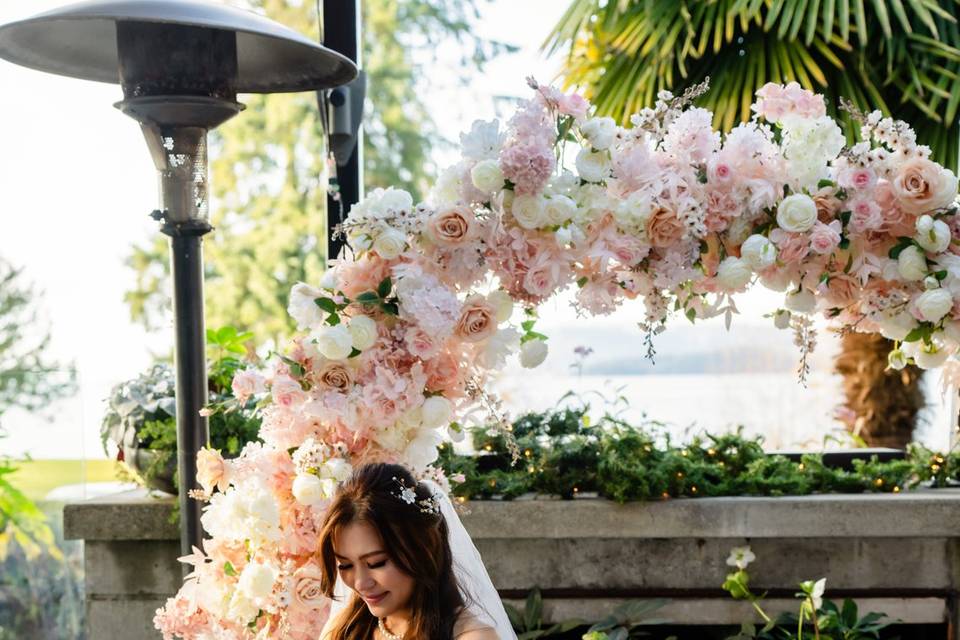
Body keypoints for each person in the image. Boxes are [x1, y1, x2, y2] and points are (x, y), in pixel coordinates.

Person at [316, 462, 514, 640]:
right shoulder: (344, 631)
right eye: (345, 565)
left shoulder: (473, 637)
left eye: (376, 563)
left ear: (423, 548)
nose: (360, 583)